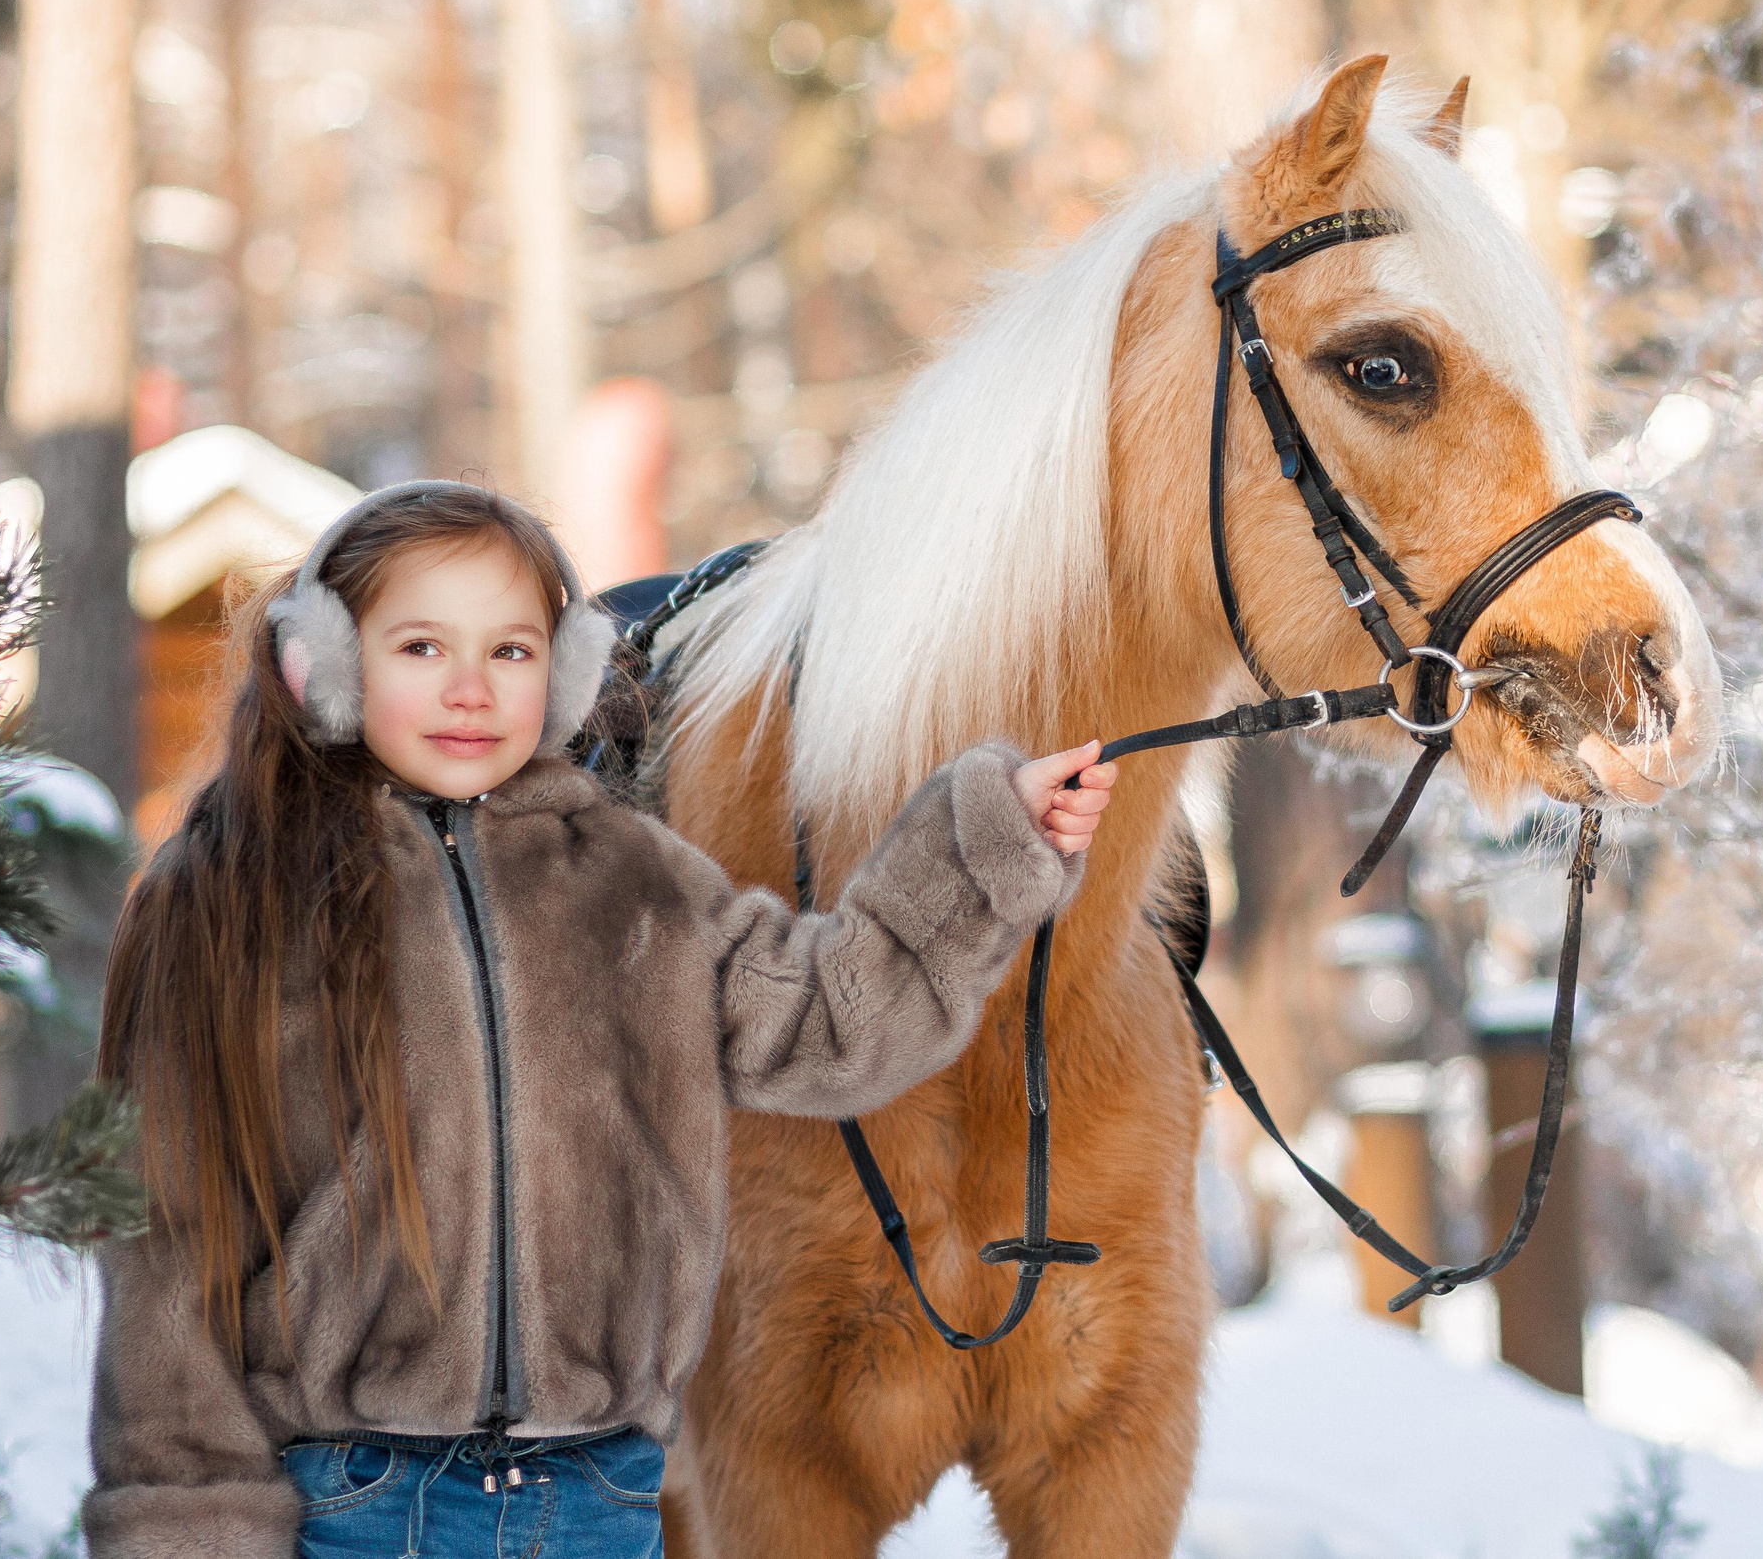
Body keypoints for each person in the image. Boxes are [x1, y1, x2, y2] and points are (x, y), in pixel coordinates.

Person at [83, 481, 1117, 1559]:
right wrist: (187, 1530)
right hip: (355, 1501)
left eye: (512, 651)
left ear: (567, 673)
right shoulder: (237, 902)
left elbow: (829, 1022)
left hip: (594, 1499)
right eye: (422, 648)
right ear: (323, 664)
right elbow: (171, 1255)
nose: (472, 690)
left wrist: (984, 846)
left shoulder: (631, 882)